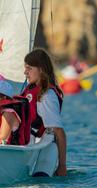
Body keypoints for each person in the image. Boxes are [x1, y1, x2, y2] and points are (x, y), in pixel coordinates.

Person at [22, 48, 67, 176]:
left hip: (44, 145)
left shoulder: (47, 95)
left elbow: (59, 131)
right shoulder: (30, 88)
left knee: (40, 180)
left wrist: (62, 165)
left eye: (29, 68)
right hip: (28, 140)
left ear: (41, 69)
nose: (25, 72)